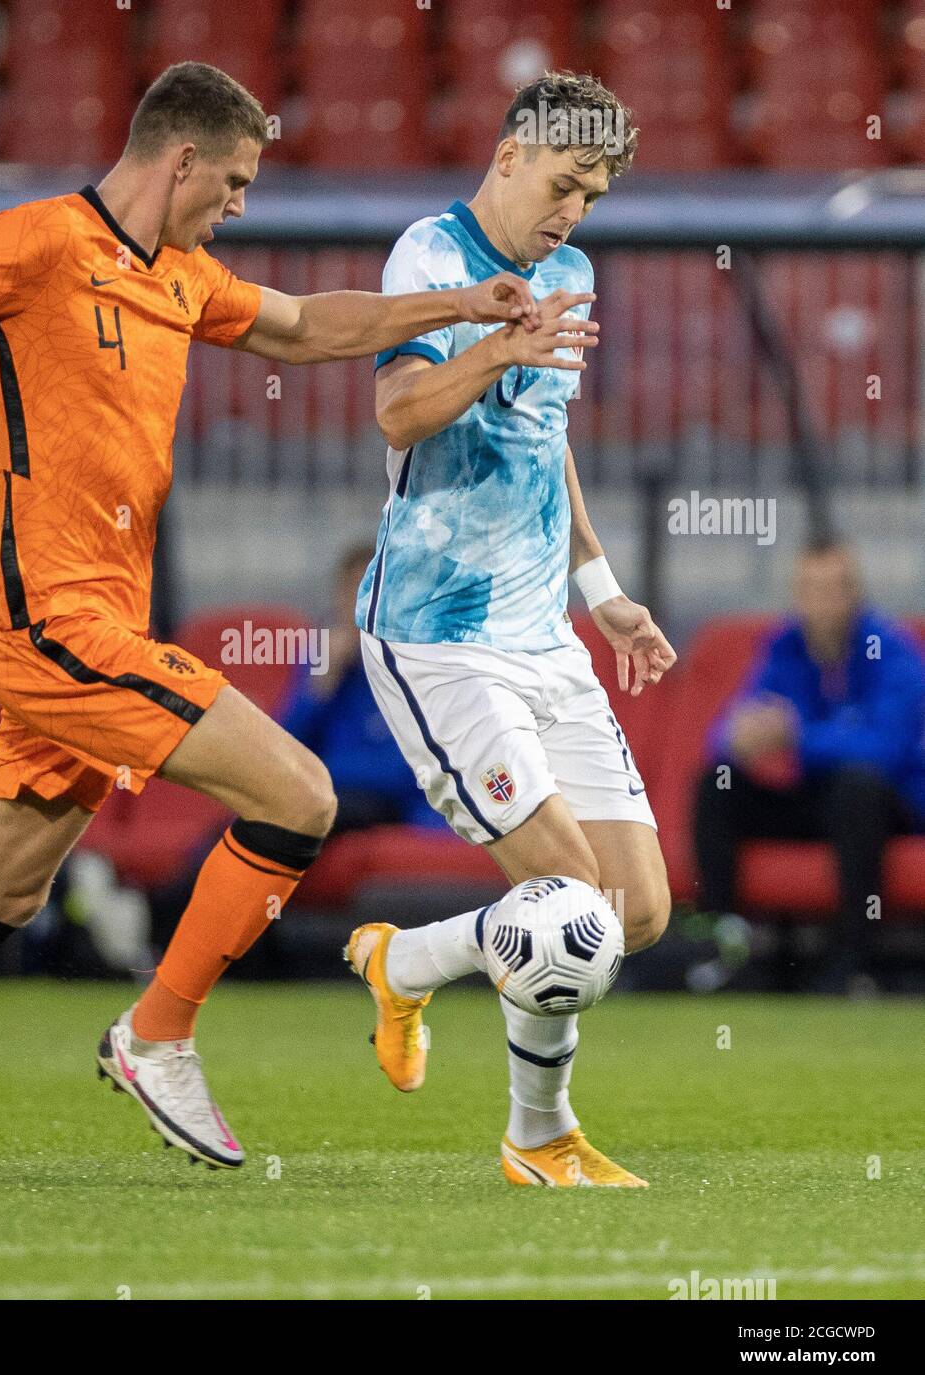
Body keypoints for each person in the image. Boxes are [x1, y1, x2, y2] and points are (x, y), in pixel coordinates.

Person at [0, 61, 557, 1181]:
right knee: (299, 794)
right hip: (50, 623)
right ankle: (158, 1031)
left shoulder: (179, 274)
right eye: (233, 181)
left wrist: (463, 308)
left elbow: (310, 324)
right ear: (179, 160)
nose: (239, 204)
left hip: (95, 625)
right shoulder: (37, 243)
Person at [343, 70, 677, 1188]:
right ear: (507, 155)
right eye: (563, 183)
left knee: (633, 914)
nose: (572, 213)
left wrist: (603, 587)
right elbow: (395, 410)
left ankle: (406, 963)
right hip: (436, 632)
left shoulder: (568, 270)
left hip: (546, 632)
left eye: (591, 196)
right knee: (570, 905)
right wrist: (494, 347)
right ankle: (540, 1137)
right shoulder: (428, 259)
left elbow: (545, 439)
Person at [694, 540, 925, 993]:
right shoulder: (783, 646)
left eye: (832, 590)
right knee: (717, 785)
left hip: (889, 806)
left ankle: (851, 965)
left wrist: (798, 733)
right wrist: (736, 737)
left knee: (856, 789)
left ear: (853, 594)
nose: (820, 603)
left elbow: (889, 749)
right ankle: (726, 947)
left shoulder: (890, 648)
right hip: (815, 799)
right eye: (809, 590)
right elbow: (727, 731)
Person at [279, 543, 447, 835]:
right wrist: (319, 689)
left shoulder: (418, 662)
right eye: (351, 595)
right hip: (322, 790)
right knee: (252, 815)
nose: (360, 610)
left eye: (371, 595)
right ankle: (195, 882)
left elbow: (406, 773)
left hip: (380, 800)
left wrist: (321, 777)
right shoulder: (324, 655)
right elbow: (283, 748)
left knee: (298, 815)